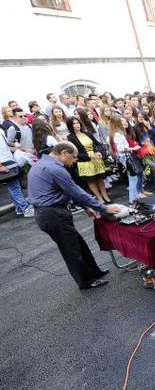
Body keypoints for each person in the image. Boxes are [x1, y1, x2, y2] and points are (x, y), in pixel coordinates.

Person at [27, 141, 122, 289]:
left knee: (78, 244)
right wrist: (103, 208)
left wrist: (84, 206)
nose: (75, 160)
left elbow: (65, 190)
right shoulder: (54, 168)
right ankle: (86, 281)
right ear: (64, 153)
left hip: (48, 213)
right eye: (74, 157)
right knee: (71, 249)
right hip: (52, 213)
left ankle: (94, 272)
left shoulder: (42, 164)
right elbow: (76, 191)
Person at [66, 116, 111, 203]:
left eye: (77, 123)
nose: (77, 125)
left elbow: (97, 144)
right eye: (74, 124)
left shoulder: (87, 133)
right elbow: (75, 153)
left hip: (96, 159)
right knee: (91, 181)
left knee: (100, 178)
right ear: (70, 126)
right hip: (84, 161)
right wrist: (88, 156)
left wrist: (99, 152)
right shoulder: (70, 137)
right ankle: (99, 198)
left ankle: (105, 196)